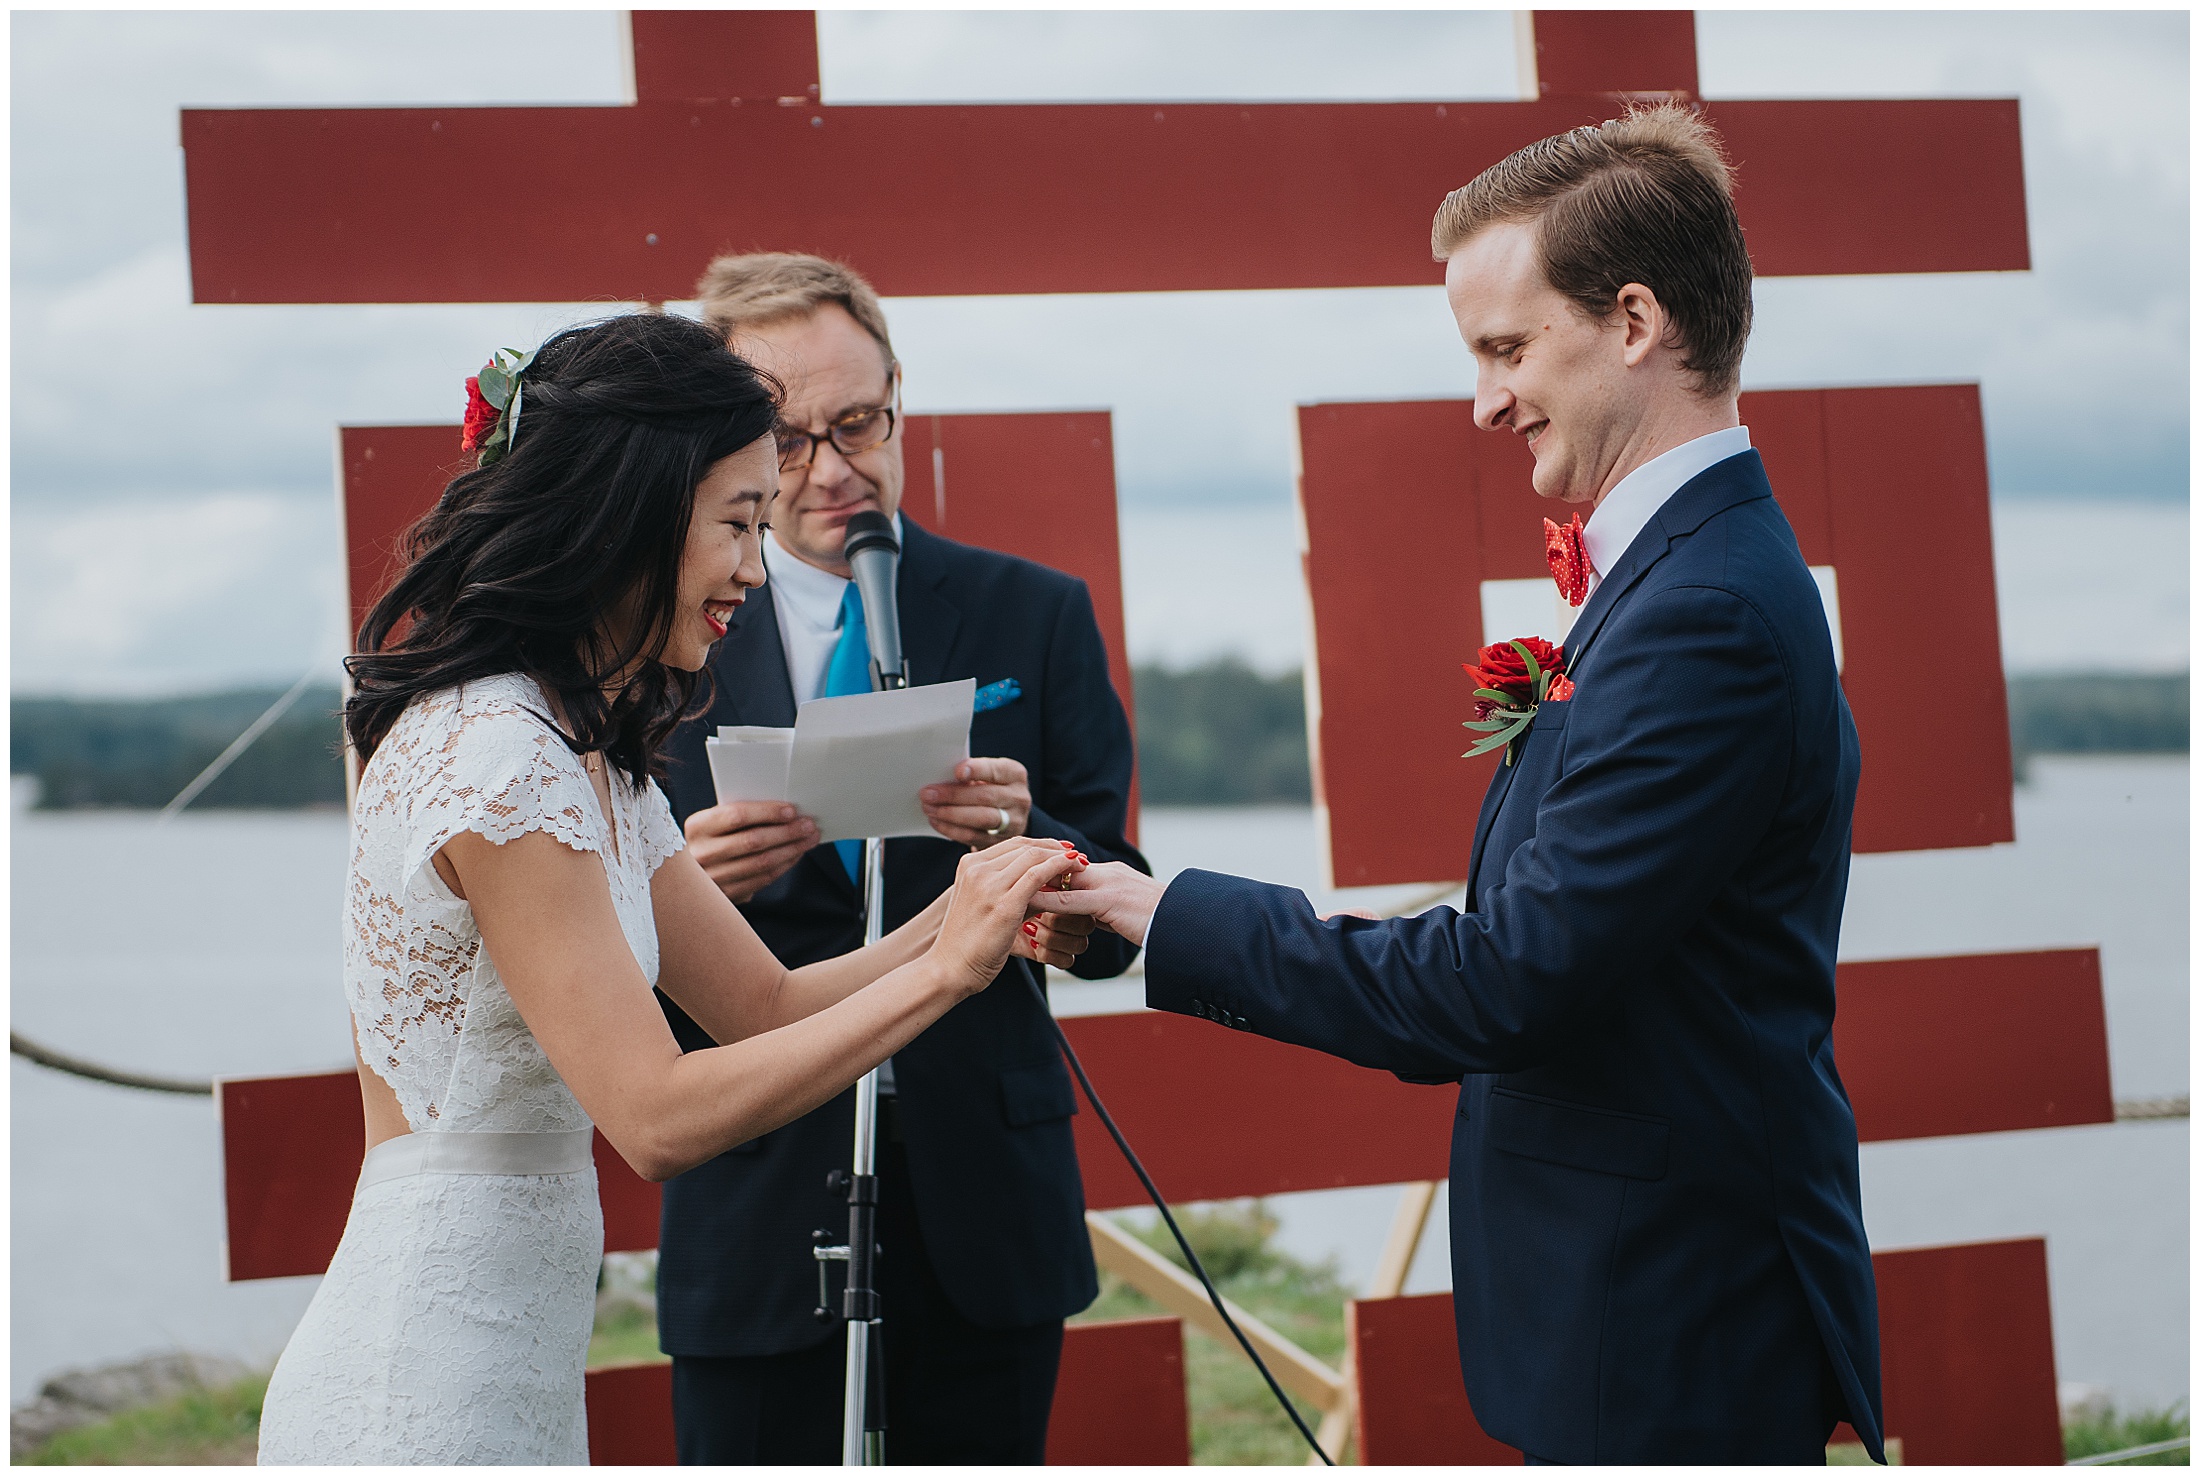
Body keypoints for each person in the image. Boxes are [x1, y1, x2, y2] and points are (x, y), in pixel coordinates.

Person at [1038, 107, 1887, 1465]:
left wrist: (1165, 910)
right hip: (1632, 1302)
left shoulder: (1706, 614)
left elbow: (1503, 981)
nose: (1483, 399)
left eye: (1505, 348)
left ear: (1633, 321)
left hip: (1673, 1324)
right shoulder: (1686, 578)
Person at [253, 312, 1085, 1465]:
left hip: (521, 1352)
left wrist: (966, 910)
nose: (756, 563)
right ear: (633, 513)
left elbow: (770, 1007)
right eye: (739, 523)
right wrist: (946, 971)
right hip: (425, 1368)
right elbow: (654, 1117)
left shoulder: (581, 750)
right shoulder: (498, 755)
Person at [653, 253, 1148, 1465]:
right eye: (785, 437)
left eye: (859, 424)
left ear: (899, 402)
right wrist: (676, 888)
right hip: (758, 1198)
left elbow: (1114, 930)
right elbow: (584, 946)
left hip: (984, 1194)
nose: (833, 469)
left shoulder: (1034, 611)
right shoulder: (653, 638)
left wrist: (1034, 855)